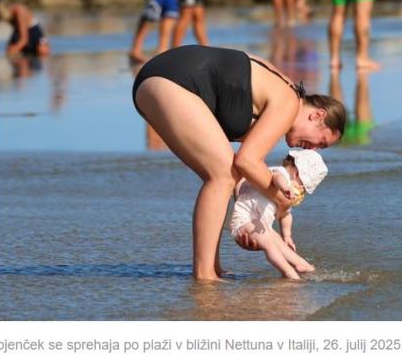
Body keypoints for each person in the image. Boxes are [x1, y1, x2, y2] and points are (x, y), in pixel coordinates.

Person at [131, 44, 346, 280]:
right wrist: (283, 201)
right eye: (321, 142)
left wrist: (251, 224)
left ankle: (211, 268)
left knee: (223, 175)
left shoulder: (282, 104)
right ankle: (205, 275)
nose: (314, 149)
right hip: (171, 80)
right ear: (317, 116)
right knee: (221, 175)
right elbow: (247, 161)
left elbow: (244, 176)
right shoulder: (289, 103)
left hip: (158, 82)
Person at [229, 149, 326, 280]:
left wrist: (287, 236)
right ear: (297, 173)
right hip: (244, 221)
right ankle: (288, 272)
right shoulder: (281, 173)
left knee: (278, 241)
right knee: (270, 243)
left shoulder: (286, 191)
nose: (302, 190)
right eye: (303, 185)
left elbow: (286, 214)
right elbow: (276, 178)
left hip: (260, 225)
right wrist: (285, 187)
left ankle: (301, 264)